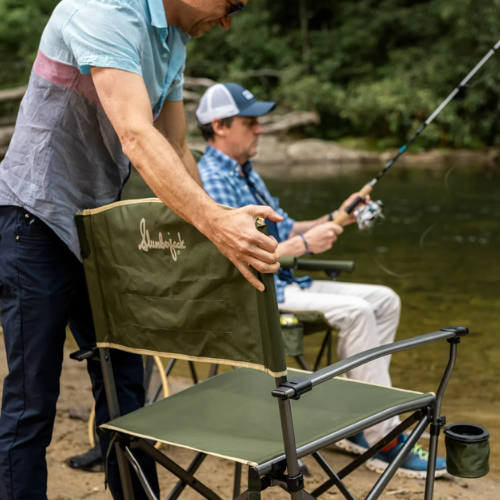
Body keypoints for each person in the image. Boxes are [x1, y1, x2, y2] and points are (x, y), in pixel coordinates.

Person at [0, 2, 283, 500]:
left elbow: (174, 145)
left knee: (125, 388)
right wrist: (215, 223)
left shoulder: (174, 39)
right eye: (229, 5)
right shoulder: (103, 9)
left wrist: (219, 229)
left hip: (97, 230)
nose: (227, 22)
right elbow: (135, 134)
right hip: (33, 217)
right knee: (31, 400)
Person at [195, 82, 447, 478]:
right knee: (359, 312)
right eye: (251, 122)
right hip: (254, 294)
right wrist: (304, 245)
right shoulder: (211, 178)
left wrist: (336, 217)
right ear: (220, 126)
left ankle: (356, 422)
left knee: (385, 299)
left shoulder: (245, 173)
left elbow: (289, 227)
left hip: (287, 283)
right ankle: (382, 437)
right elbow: (236, 252)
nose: (260, 129)